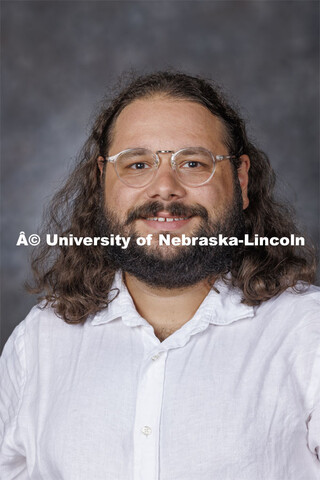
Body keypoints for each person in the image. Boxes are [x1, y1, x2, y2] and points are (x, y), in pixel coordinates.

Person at [0, 71, 319, 480]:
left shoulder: (309, 335)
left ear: (240, 179)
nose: (164, 189)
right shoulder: (39, 343)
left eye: (192, 163)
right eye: (137, 164)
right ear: (101, 181)